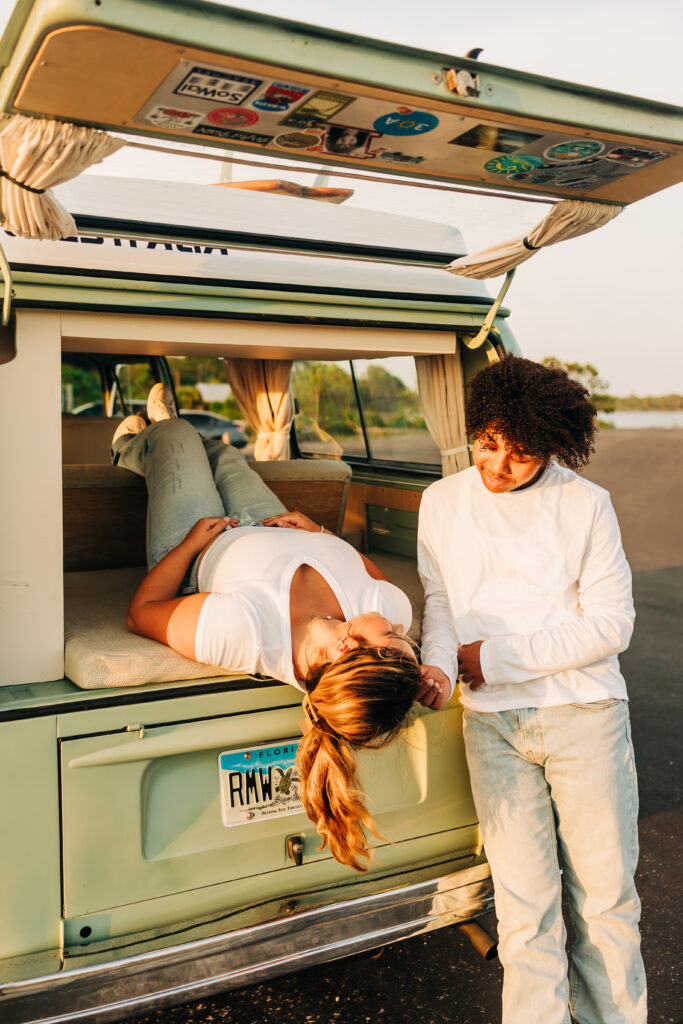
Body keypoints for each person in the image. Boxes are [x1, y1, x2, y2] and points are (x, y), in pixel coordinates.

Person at [112, 384, 427, 872]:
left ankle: (134, 444)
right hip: (277, 525)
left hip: (198, 541)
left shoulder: (245, 633)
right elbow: (378, 580)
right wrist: (321, 533)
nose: (403, 629)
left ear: (347, 644)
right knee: (229, 458)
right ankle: (192, 443)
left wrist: (193, 543)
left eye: (395, 639)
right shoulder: (386, 609)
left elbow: (143, 611)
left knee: (175, 436)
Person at [417, 356, 646, 1024]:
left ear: (552, 447)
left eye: (519, 454)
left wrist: (493, 657)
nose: (495, 465)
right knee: (524, 912)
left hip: (585, 717)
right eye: (487, 444)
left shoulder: (584, 504)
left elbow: (611, 626)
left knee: (604, 903)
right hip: (491, 726)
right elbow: (441, 603)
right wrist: (438, 665)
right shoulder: (441, 502)